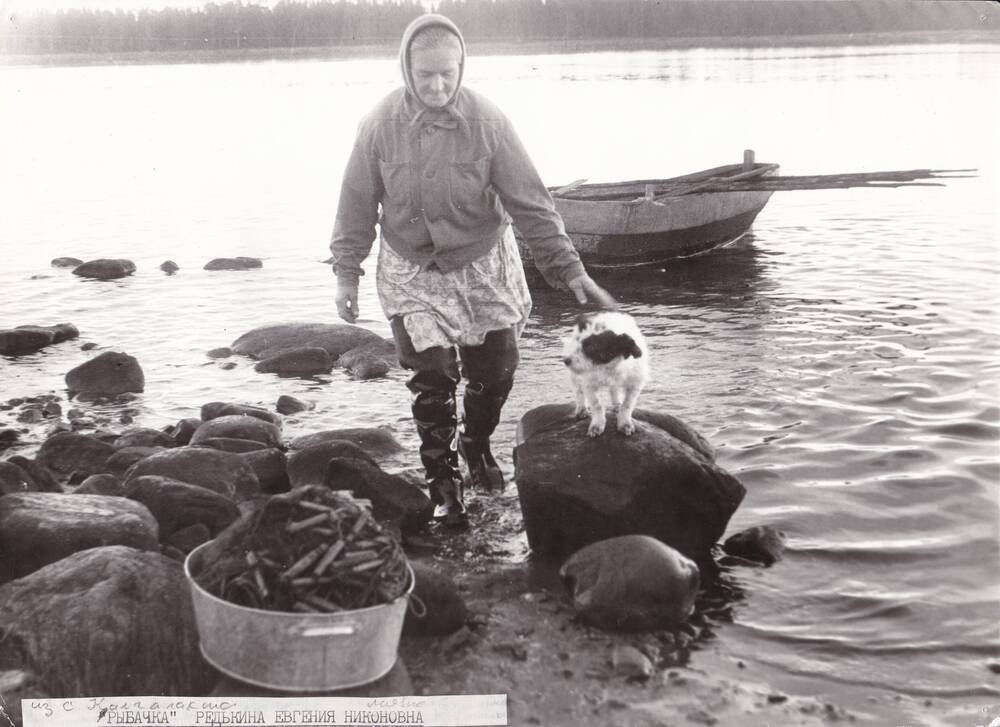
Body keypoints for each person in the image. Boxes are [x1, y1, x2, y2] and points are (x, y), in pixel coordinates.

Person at [329, 13, 615, 527]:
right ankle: (444, 486)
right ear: (406, 72)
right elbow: (355, 202)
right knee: (432, 375)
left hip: (483, 263)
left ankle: (475, 442)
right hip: (412, 268)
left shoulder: (489, 121)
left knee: (497, 368)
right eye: (425, 77)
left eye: (447, 74)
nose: (437, 86)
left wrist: (567, 268)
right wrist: (346, 272)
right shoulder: (378, 124)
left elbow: (530, 201)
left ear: (462, 67)